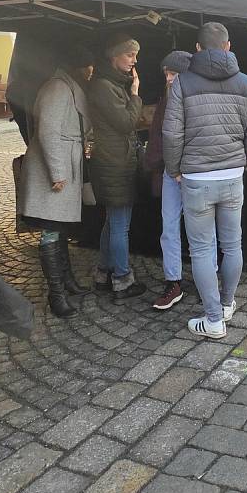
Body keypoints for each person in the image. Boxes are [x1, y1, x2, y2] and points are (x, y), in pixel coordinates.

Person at [163, 22, 247, 339]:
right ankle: (228, 304)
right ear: (228, 47)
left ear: (197, 48)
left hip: (196, 176)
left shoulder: (182, 84)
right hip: (232, 174)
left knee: (203, 249)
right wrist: (245, 160)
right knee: (232, 244)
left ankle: (213, 319)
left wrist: (174, 168)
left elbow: (171, 133)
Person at [19, 46, 94, 318]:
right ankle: (56, 294)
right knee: (51, 231)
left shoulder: (69, 86)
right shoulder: (57, 88)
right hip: (52, 171)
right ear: (76, 65)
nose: (91, 71)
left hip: (64, 163)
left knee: (60, 229)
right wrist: (58, 173)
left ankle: (67, 281)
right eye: (88, 66)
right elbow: (48, 132)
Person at [89, 33, 146, 300]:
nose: (134, 60)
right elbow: (126, 123)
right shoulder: (103, 86)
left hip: (115, 160)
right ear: (114, 56)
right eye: (129, 55)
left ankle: (103, 273)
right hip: (114, 163)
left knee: (112, 223)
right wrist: (135, 95)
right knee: (120, 224)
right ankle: (122, 278)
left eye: (135, 55)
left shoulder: (110, 83)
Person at [146, 51, 193, 311]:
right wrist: (157, 164)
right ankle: (173, 281)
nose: (168, 77)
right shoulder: (166, 100)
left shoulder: (194, 98)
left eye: (173, 73)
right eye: (166, 73)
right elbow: (157, 136)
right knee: (169, 229)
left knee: (200, 230)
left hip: (192, 172)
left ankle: (206, 275)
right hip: (170, 172)